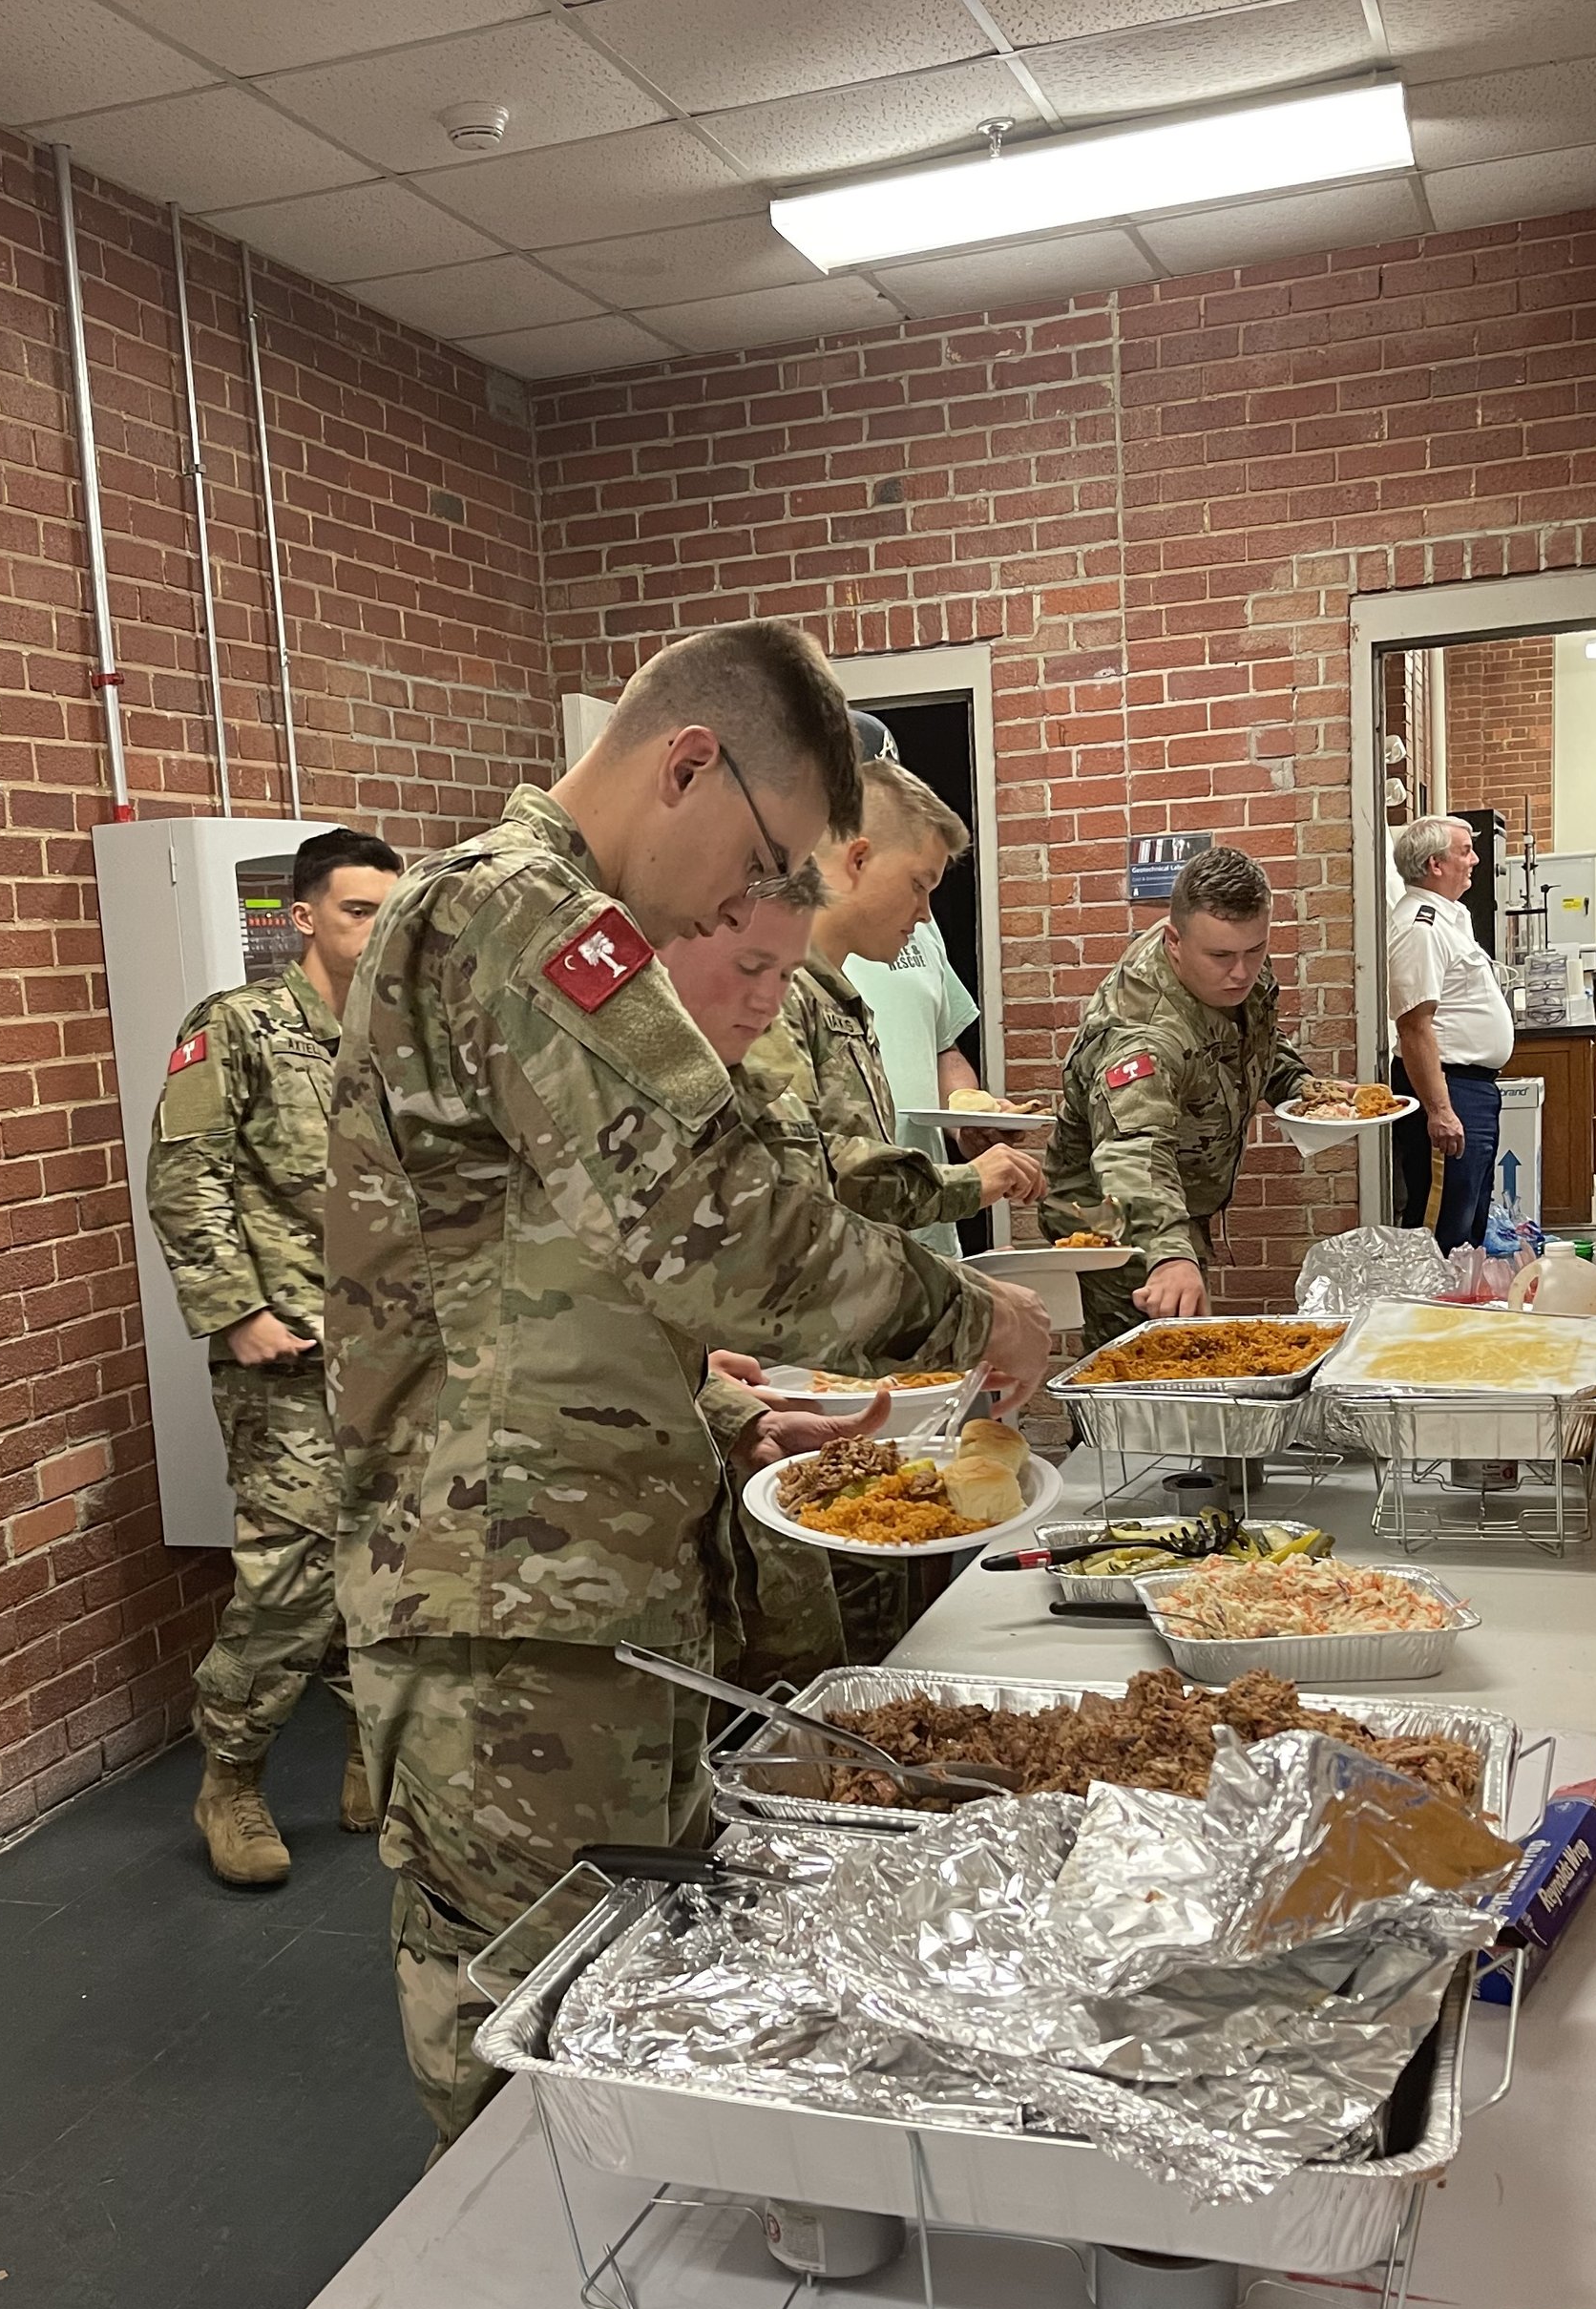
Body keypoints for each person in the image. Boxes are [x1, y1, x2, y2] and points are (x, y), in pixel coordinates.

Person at [326, 621, 1053, 2147]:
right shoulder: (517, 917)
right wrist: (963, 1308)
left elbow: (551, 1284)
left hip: (591, 1583)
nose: (749, 900)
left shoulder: (544, 927)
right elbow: (710, 1221)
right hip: (505, 1601)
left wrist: (722, 1410)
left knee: (620, 2001)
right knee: (526, 2033)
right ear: (685, 765)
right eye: (764, 852)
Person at [145, 827, 404, 1887]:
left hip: (397, 1355)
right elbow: (182, 1172)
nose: (377, 930)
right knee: (290, 1577)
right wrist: (234, 1309)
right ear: (303, 918)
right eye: (358, 911)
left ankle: (363, 1749)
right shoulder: (239, 1028)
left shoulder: (404, 1037)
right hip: (289, 1356)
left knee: (388, 1563)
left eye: (392, 912)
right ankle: (233, 1776)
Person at [660, 883, 860, 1692]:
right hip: (612, 1528)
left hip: (744, 1417)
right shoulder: (597, 1101)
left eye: (786, 974)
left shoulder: (743, 1079)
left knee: (799, 1665)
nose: (771, 1001)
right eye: (752, 967)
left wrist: (715, 1388)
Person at [1039, 845, 1330, 1347]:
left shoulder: (1228, 969)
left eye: (1255, 950)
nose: (1242, 972)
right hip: (1111, 1212)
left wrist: (1302, 1087)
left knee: (1185, 1347)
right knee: (1145, 1372)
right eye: (1221, 956)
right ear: (1174, 941)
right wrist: (1171, 1254)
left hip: (1174, 1201)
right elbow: (1134, 1150)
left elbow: (1246, 1042)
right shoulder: (1142, 1034)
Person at [744, 754, 1043, 1236]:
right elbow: (800, 1177)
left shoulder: (832, 991)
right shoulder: (765, 986)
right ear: (858, 859)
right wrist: (965, 1183)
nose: (925, 913)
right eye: (917, 885)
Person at [1387, 812, 1515, 1253]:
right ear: (1435, 864)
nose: (1476, 860)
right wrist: (1439, 1110)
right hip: (1447, 1087)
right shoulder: (1418, 927)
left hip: (1471, 1087)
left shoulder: (1451, 918)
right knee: (1441, 1225)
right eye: (1465, 851)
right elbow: (1413, 1025)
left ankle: (1459, 1311)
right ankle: (1427, 1313)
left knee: (1470, 1219)